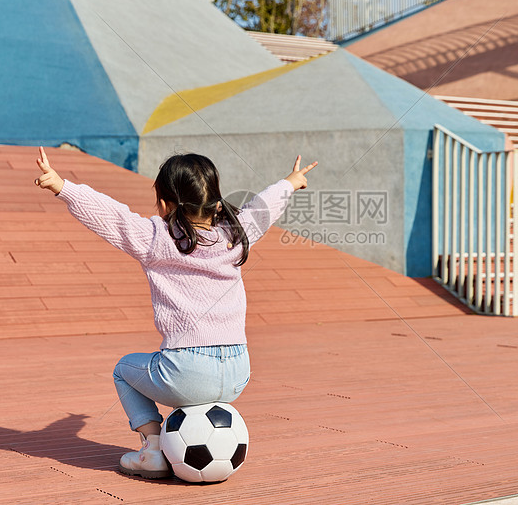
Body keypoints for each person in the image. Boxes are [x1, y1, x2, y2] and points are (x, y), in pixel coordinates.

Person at [34, 147, 317, 478]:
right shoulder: (236, 234)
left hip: (188, 371)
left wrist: (62, 187)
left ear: (166, 203)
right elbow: (263, 208)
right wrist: (290, 183)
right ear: (214, 199)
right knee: (178, 379)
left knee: (124, 371)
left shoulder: (157, 238)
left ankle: (152, 451)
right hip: (239, 370)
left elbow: (111, 215)